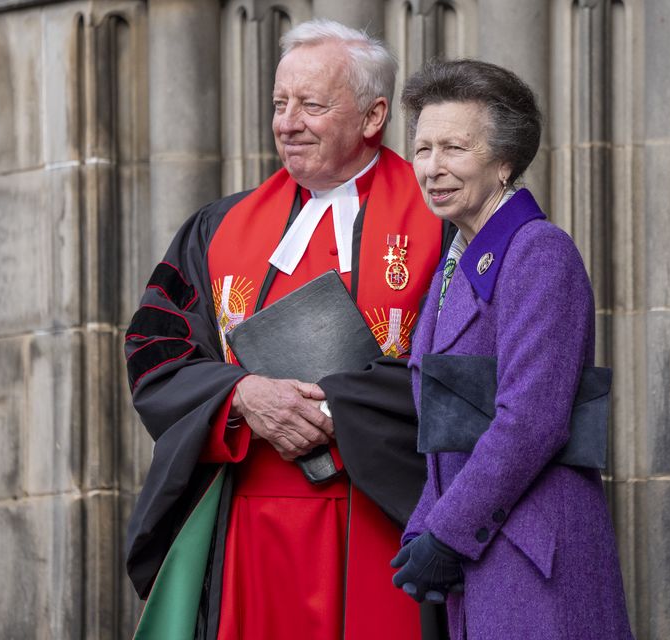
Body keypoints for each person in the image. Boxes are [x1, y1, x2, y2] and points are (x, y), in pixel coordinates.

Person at [125, 19, 451, 640]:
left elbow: (476, 370)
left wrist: (343, 410)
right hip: (253, 527)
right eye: (279, 104)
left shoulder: (441, 217)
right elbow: (154, 349)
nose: (287, 122)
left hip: (389, 518)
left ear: (373, 116)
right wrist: (240, 396)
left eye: (311, 105)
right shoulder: (218, 228)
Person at [390, 59, 634, 639]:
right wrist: (426, 523)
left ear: (504, 163)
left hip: (531, 548)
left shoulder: (539, 252)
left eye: (454, 148)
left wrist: (446, 532)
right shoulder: (458, 258)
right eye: (422, 149)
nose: (432, 168)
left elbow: (531, 420)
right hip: (485, 545)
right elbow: (448, 427)